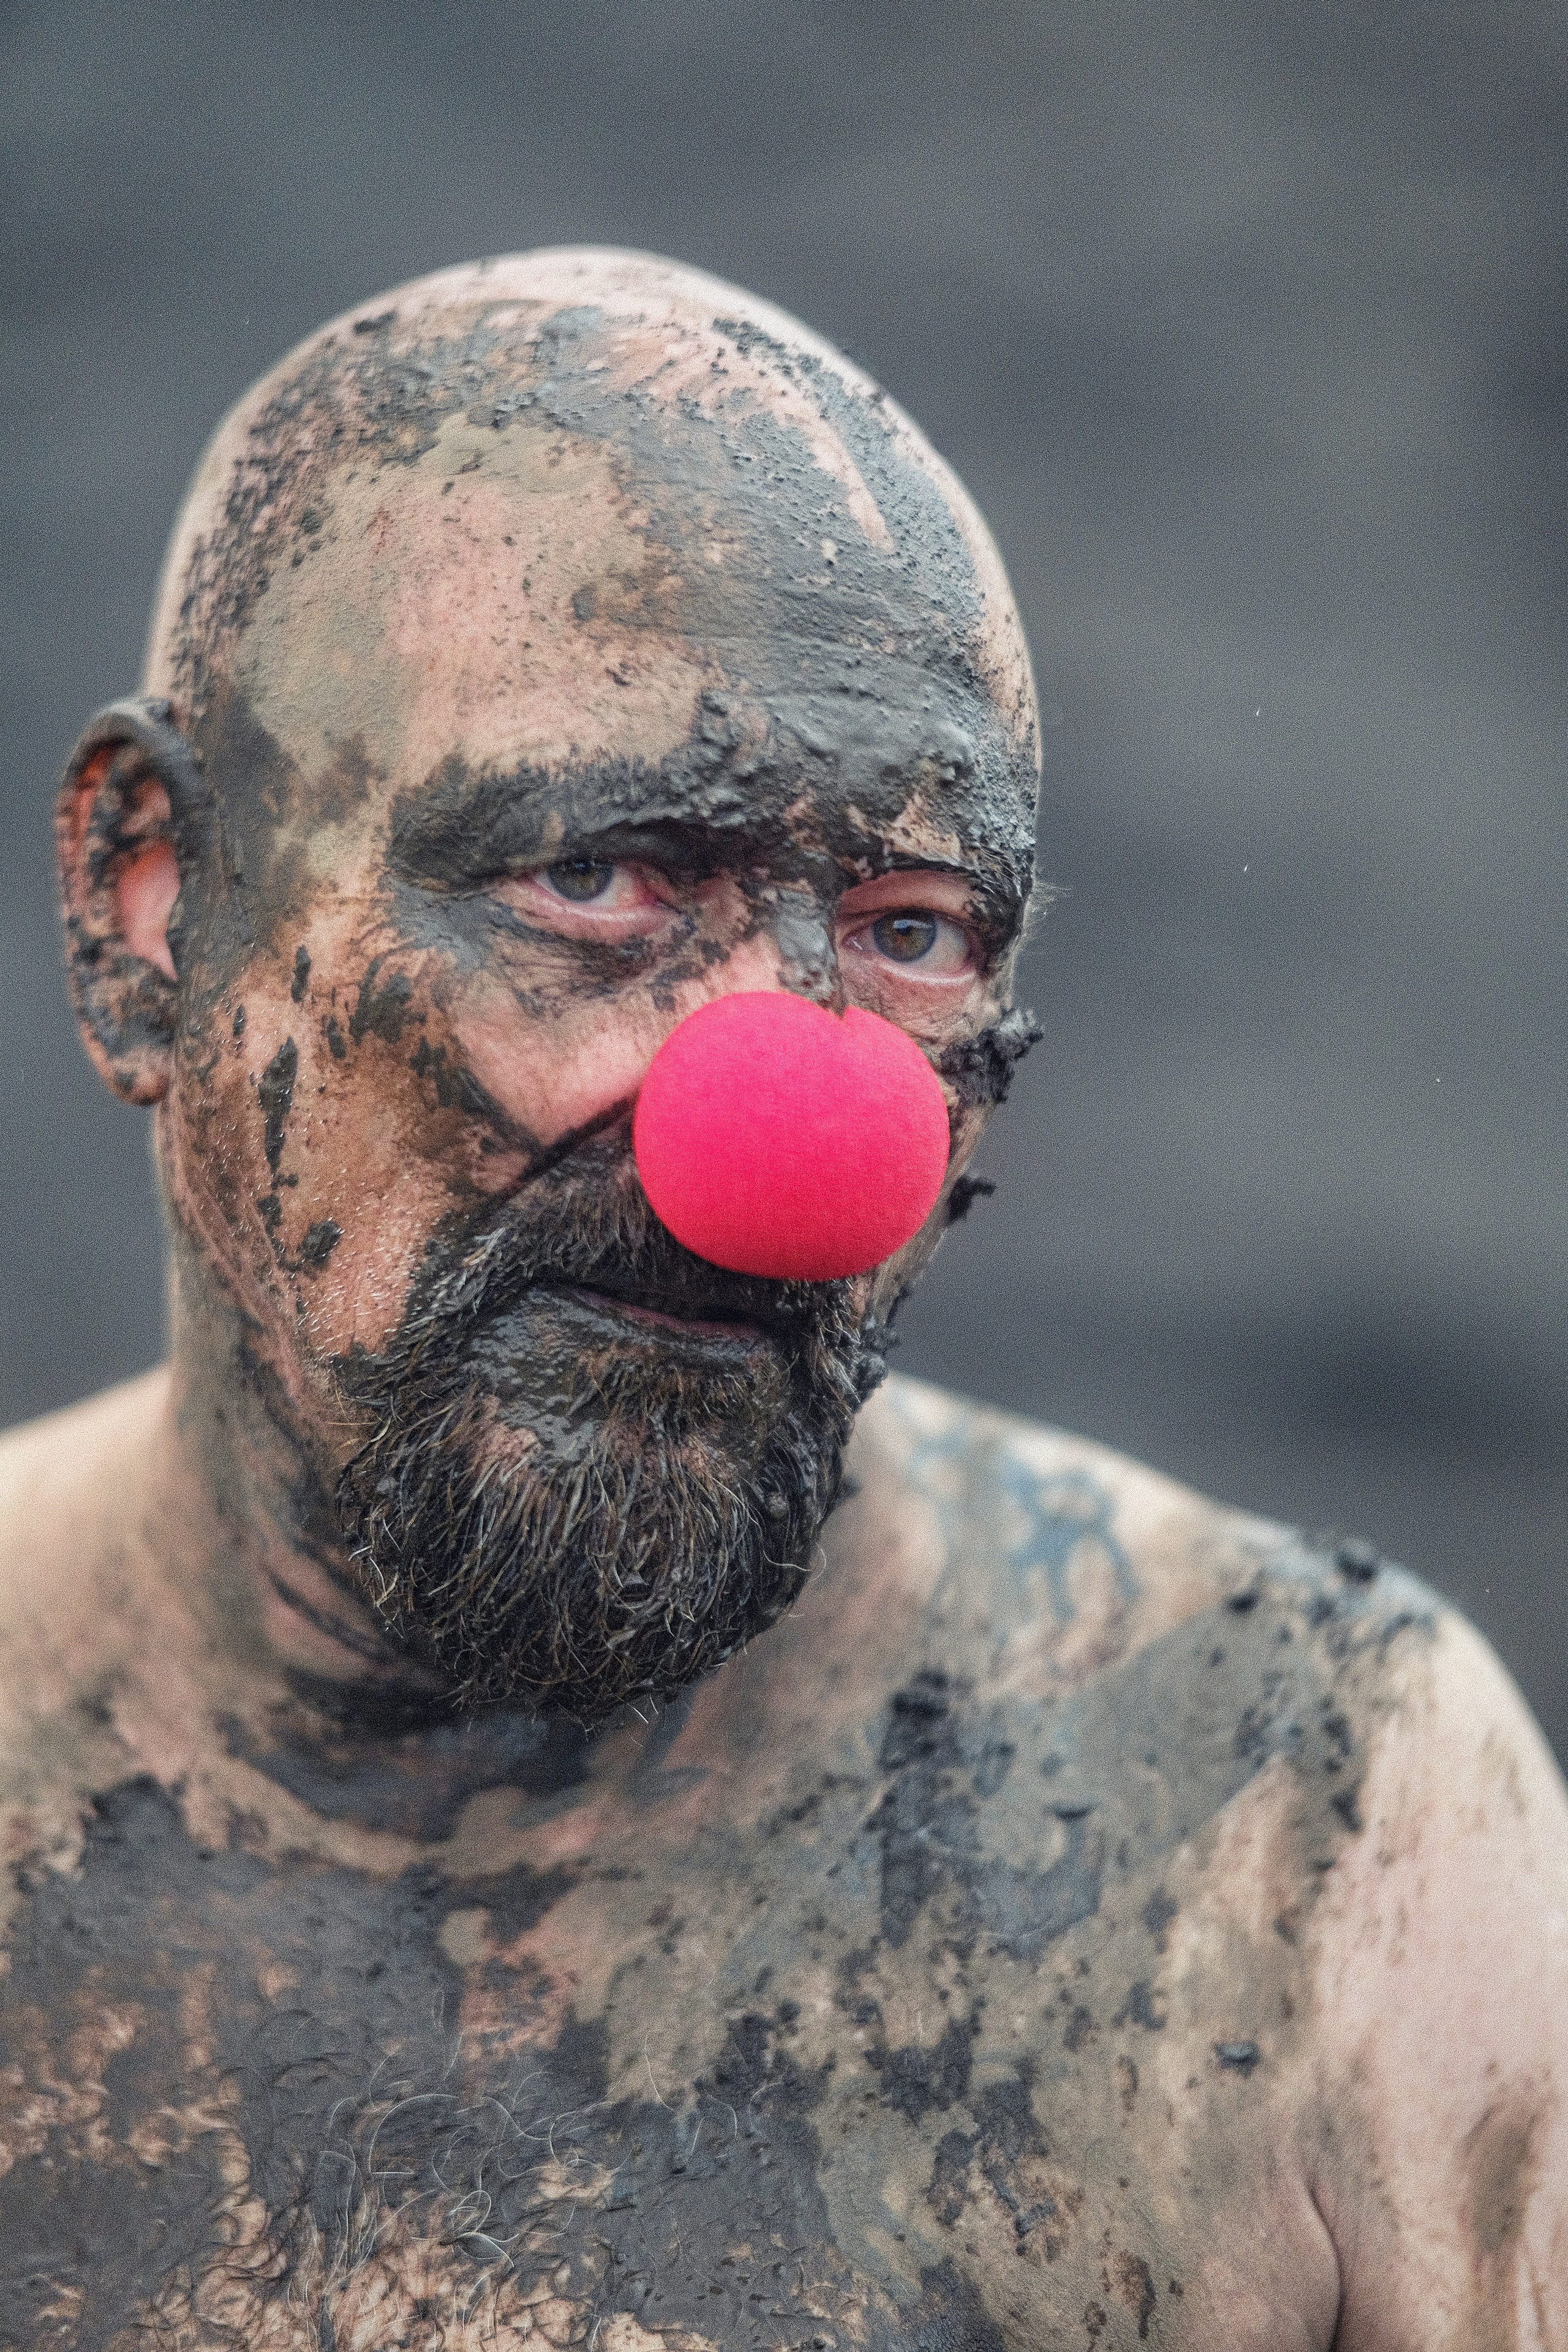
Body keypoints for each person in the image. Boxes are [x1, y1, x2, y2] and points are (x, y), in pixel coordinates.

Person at [1, 249, 1562, 2350]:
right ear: (149, 915)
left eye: (914, 934)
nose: (789, 1142)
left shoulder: (1313, 1827)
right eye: (600, 877)